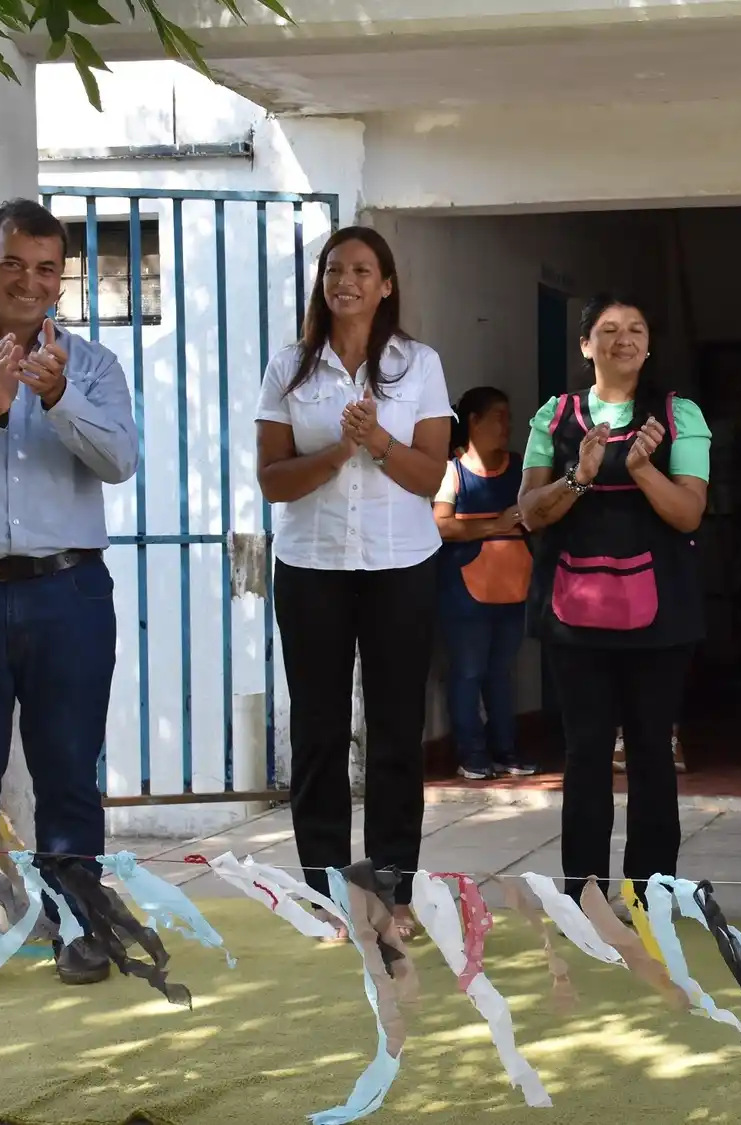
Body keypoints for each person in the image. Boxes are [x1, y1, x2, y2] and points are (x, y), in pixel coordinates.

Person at [0, 199, 139, 995]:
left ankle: (79, 923)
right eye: (12, 263)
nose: (28, 280)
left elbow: (120, 460)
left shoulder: (90, 365)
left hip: (69, 590)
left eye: (46, 268)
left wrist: (57, 401)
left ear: (62, 279)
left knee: (67, 766)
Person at [255, 226, 452, 942]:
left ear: (386, 284)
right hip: (312, 568)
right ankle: (327, 892)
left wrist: (379, 440)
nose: (347, 281)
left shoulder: (417, 364)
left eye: (363, 270)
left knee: (398, 729)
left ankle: (393, 891)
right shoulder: (289, 369)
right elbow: (273, 480)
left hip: (402, 565)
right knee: (318, 730)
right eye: (335, 269)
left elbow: (430, 475)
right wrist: (341, 448)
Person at [517, 293, 710, 900]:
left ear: (649, 345)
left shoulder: (680, 416)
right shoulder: (555, 416)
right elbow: (529, 513)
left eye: (635, 328)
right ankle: (584, 893)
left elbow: (689, 514)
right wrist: (581, 475)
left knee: (652, 750)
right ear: (585, 345)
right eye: (607, 329)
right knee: (587, 753)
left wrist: (643, 468)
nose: (622, 339)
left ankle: (653, 893)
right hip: (574, 615)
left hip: (660, 616)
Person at [434, 386, 535, 781]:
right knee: (468, 672)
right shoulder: (451, 471)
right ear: (472, 422)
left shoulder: (521, 468)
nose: (505, 425)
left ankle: (506, 750)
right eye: (497, 416)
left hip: (514, 588)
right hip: (464, 594)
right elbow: (440, 526)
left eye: (507, 417)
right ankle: (472, 754)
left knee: (501, 674)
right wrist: (496, 524)